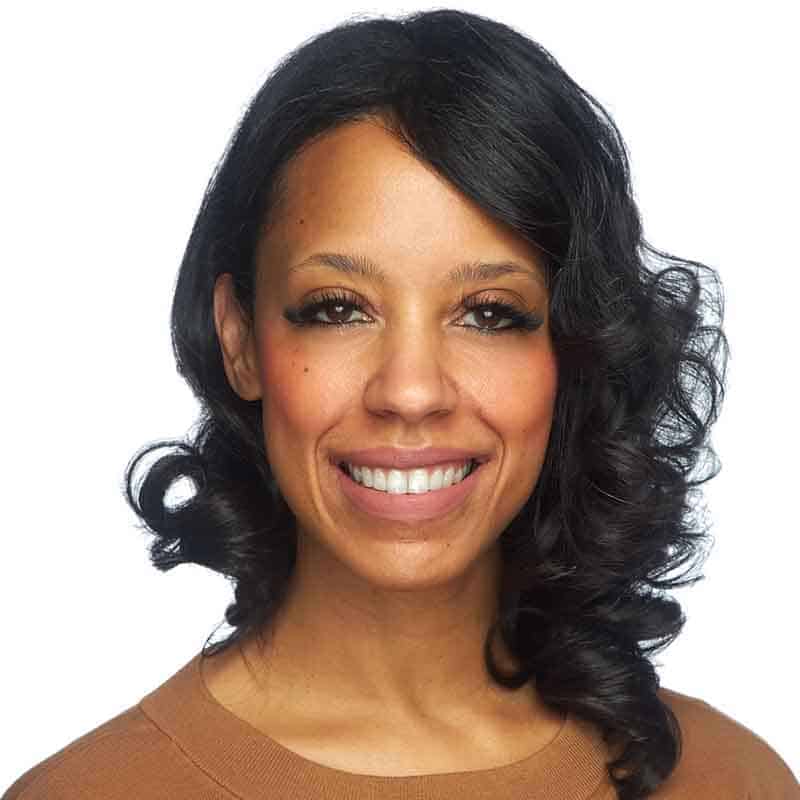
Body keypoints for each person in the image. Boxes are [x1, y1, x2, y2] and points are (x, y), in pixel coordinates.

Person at [3, 8, 797, 800]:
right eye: (338, 307)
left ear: (574, 349)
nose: (410, 391)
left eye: (490, 312)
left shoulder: (733, 781)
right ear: (240, 338)